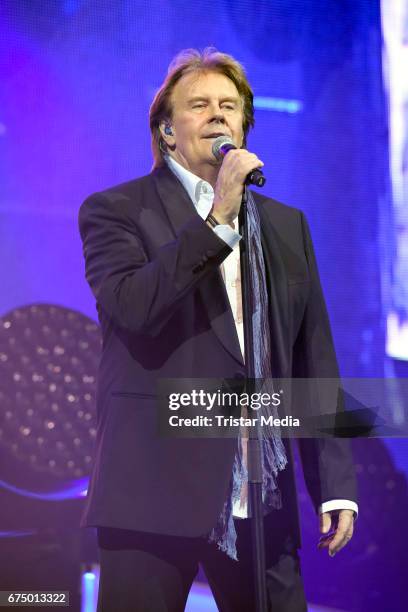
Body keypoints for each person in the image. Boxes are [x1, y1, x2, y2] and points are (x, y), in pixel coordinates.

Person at [78, 48, 358, 612]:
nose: (217, 116)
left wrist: (334, 483)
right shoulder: (117, 210)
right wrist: (217, 220)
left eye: (229, 106)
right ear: (166, 130)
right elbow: (134, 306)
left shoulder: (286, 225)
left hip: (259, 492)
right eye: (199, 104)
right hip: (152, 490)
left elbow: (312, 358)